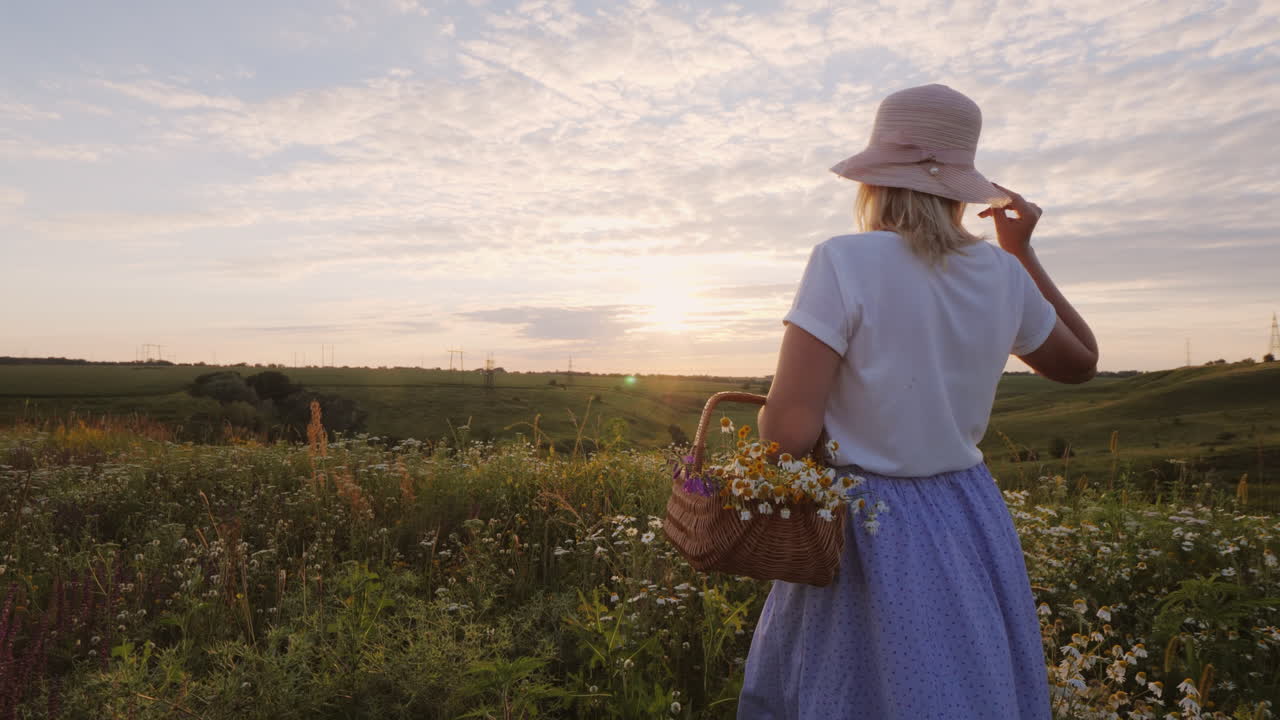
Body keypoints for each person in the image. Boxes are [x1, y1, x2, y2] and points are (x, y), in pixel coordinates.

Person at [737, 84, 1098, 719]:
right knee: (959, 684)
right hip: (967, 513)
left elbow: (786, 436)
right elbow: (1081, 363)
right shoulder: (1002, 274)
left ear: (875, 179)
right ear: (961, 187)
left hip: (861, 523)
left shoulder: (843, 260)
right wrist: (1021, 252)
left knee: (849, 689)